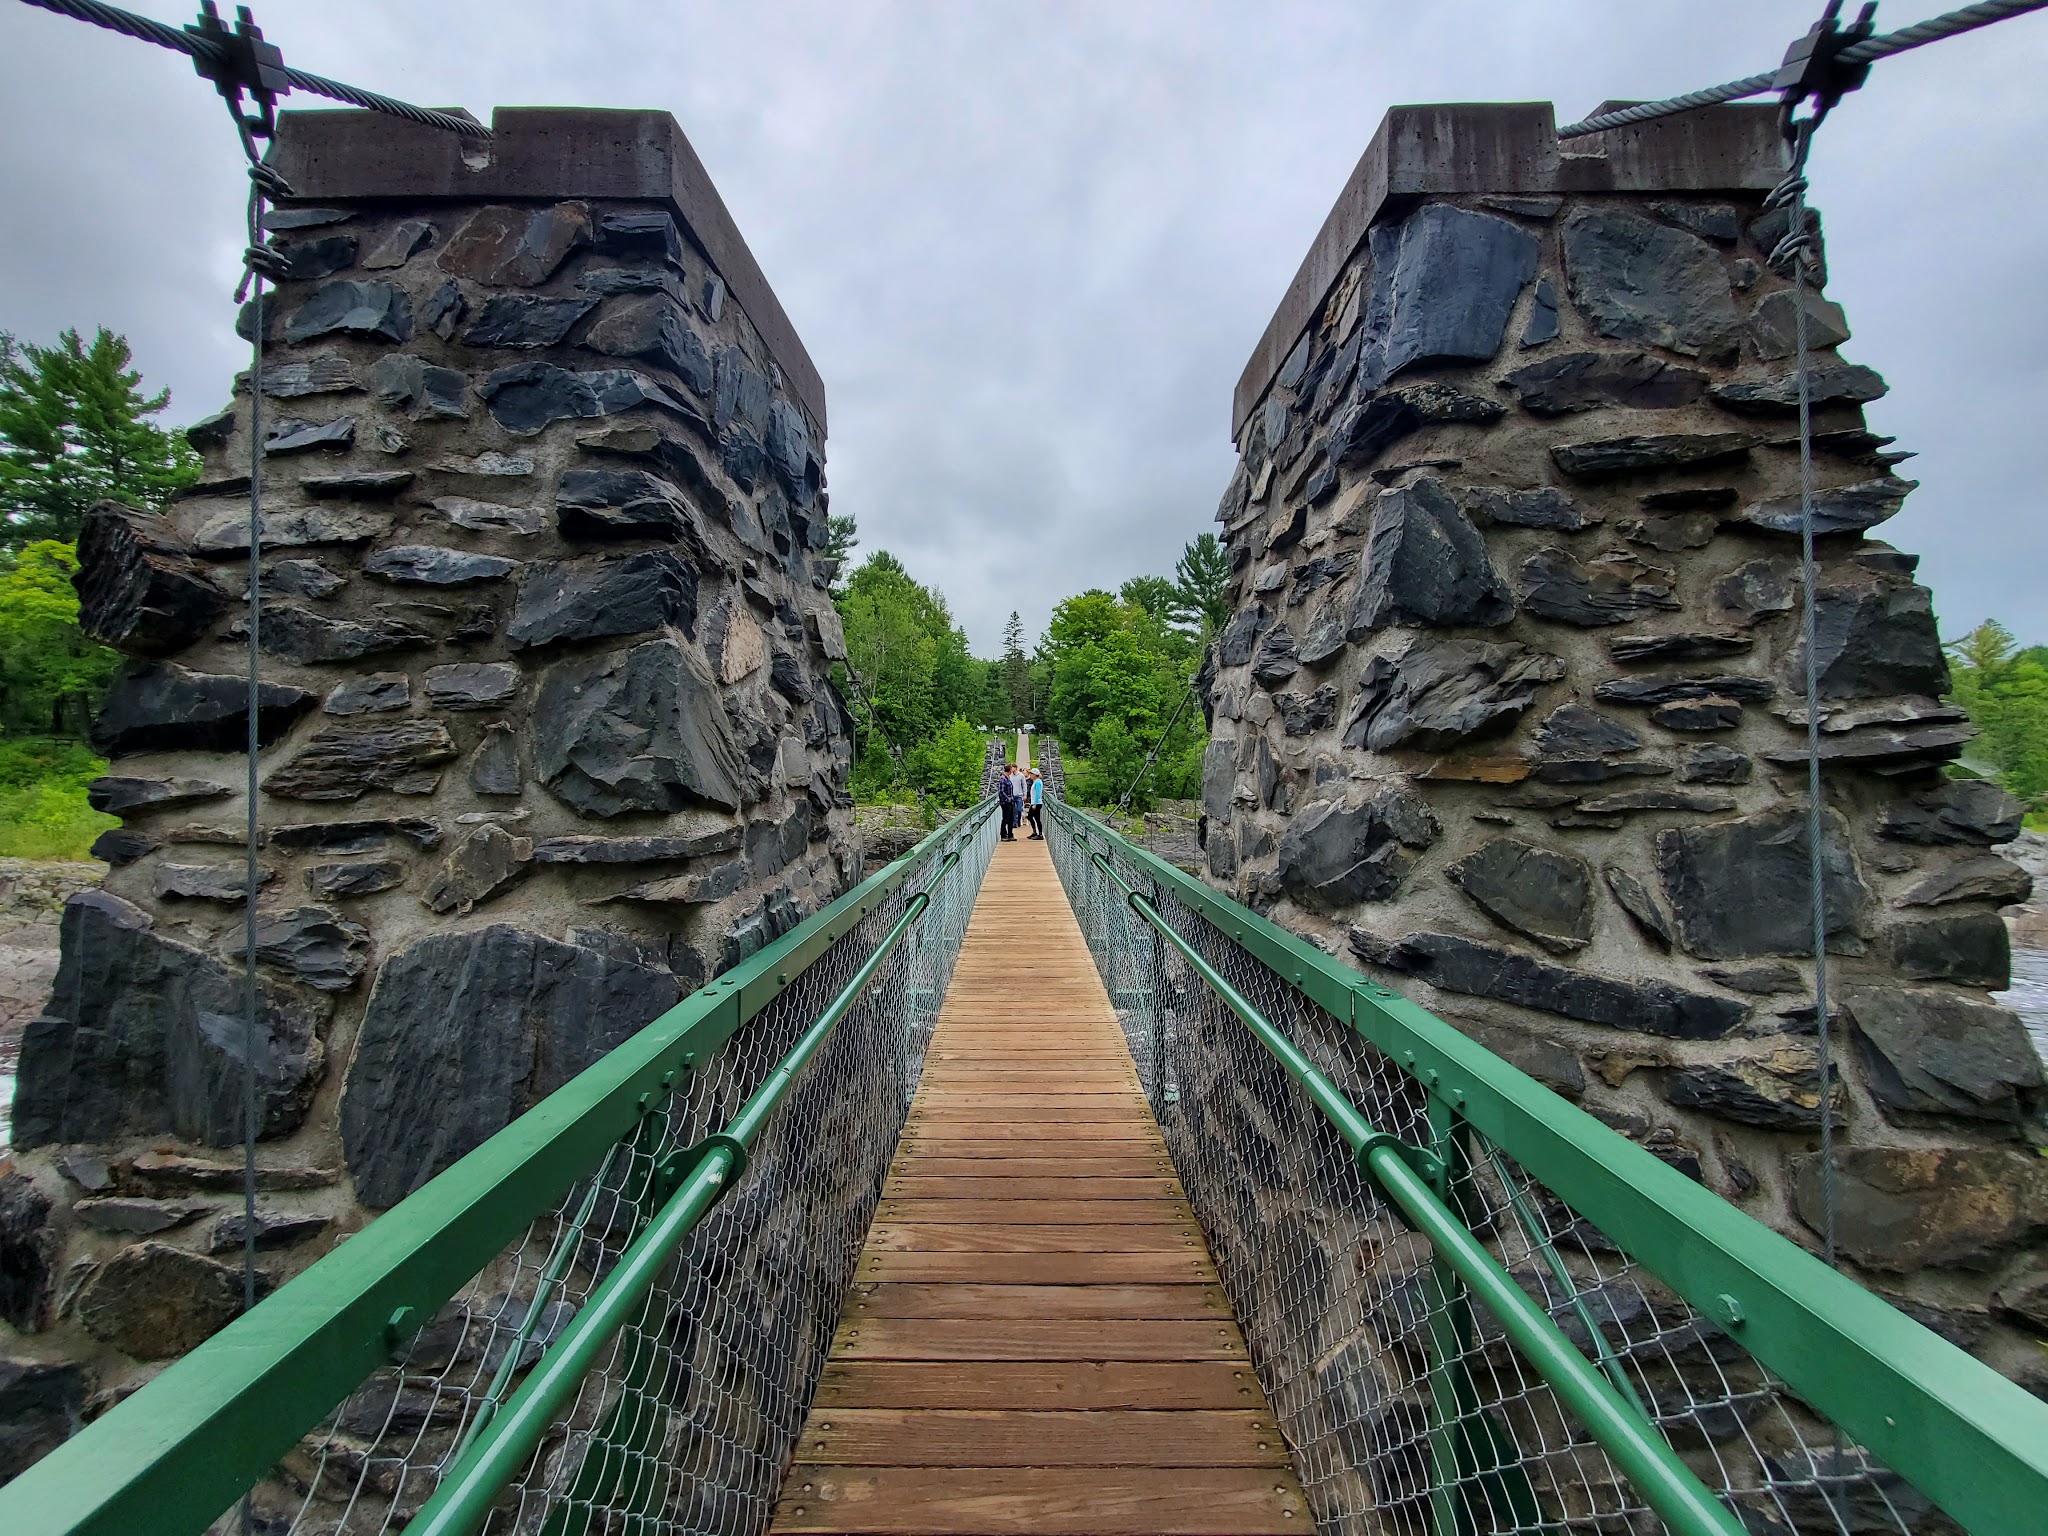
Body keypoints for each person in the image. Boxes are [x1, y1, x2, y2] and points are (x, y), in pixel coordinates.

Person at [997, 762, 1018, 840]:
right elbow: (1001, 791)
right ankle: (1003, 835)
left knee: (1011, 818)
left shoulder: (1007, 778)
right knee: (1005, 818)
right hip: (1005, 802)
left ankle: (1010, 834)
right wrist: (1008, 799)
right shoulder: (1003, 779)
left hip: (1010, 802)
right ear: (1009, 770)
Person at [1027, 770, 1044, 839]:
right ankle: (1035, 832)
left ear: (1034, 775)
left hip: (1037, 803)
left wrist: (1035, 804)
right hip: (1035, 803)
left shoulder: (1038, 782)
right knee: (1030, 817)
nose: (1030, 775)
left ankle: (1040, 834)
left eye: (1031, 774)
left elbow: (1038, 793)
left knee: (1036, 818)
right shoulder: (1036, 782)